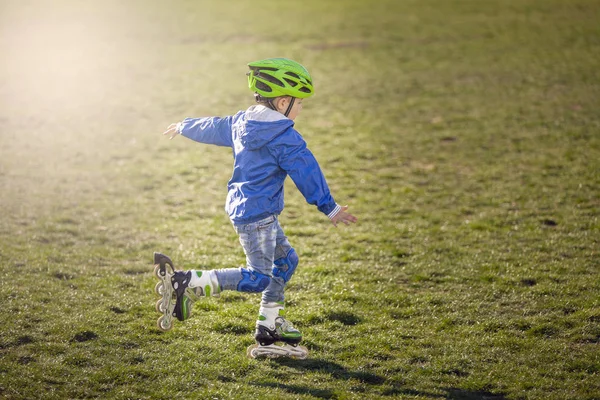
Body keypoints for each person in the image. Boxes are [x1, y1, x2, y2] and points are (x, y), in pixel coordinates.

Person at [155, 57, 357, 358]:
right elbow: (307, 172)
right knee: (258, 277)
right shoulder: (285, 137)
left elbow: (213, 126)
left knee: (287, 261)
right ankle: (189, 281)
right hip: (258, 216)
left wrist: (185, 126)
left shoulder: (240, 122)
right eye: (299, 103)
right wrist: (330, 207)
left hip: (248, 209)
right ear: (283, 101)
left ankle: (269, 326)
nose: (300, 109)